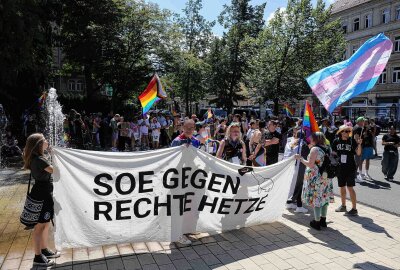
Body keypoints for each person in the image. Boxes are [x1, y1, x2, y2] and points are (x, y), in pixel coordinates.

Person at [22, 133, 60, 266]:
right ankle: (38, 257)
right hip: (42, 195)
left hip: (43, 193)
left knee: (45, 224)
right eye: (44, 140)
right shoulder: (39, 160)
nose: (47, 141)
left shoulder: (38, 158)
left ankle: (44, 249)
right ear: (39, 144)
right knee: (39, 227)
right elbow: (55, 170)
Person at [295, 132, 334, 230]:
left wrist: (301, 159)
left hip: (316, 177)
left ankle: (316, 222)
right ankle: (323, 220)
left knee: (317, 198)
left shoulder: (315, 149)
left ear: (315, 139)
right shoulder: (328, 148)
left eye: (311, 138)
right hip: (326, 177)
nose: (310, 139)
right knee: (324, 198)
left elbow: (310, 164)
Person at [332, 125, 362, 216]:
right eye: (345, 131)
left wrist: (359, 144)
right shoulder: (336, 141)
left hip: (350, 167)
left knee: (350, 187)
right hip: (340, 167)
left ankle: (354, 208)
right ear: (341, 132)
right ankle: (343, 205)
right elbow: (333, 153)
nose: (347, 133)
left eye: (348, 131)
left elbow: (358, 153)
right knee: (341, 187)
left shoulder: (352, 141)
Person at [353, 117, 365, 181]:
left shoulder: (356, 127)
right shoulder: (358, 128)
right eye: (363, 121)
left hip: (356, 147)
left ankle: (355, 176)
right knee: (357, 162)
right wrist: (359, 142)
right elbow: (356, 137)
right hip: (357, 147)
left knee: (357, 162)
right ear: (359, 121)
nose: (364, 122)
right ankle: (354, 177)